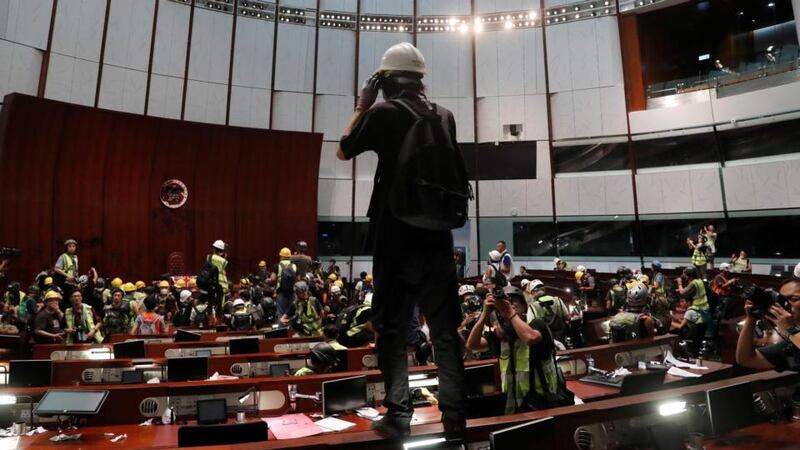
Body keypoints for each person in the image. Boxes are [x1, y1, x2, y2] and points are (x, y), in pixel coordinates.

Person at [337, 42, 466, 439]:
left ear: (385, 81)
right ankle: (455, 419)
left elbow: (344, 150)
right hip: (438, 238)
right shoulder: (445, 116)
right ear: (420, 78)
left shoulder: (384, 112)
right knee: (445, 330)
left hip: (395, 236)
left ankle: (399, 413)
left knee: (391, 328)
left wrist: (362, 104)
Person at [465, 285, 567, 414]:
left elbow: (530, 338)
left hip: (542, 404)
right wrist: (485, 313)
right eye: (505, 303)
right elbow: (472, 344)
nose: (509, 306)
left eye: (513, 302)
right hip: (513, 406)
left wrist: (509, 313)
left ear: (524, 306)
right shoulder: (502, 335)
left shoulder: (538, 325)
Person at [736, 277, 800, 370]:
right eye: (781, 300)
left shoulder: (792, 334)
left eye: (793, 299)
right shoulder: (790, 342)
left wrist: (790, 330)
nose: (785, 305)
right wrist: (751, 318)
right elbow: (746, 359)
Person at [673, 266, 710, 355]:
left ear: (689, 275)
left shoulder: (693, 283)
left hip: (697, 309)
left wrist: (680, 283)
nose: (683, 276)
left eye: (685, 274)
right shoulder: (699, 281)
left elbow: (683, 292)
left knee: (684, 327)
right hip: (704, 308)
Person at [527, 280, 569, 345]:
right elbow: (568, 317)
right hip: (560, 339)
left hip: (544, 343)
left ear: (533, 292)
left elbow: (530, 328)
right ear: (544, 289)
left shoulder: (532, 306)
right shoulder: (557, 300)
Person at [272, 247, 297, 318]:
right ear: (289, 256)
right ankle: (291, 328)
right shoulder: (294, 266)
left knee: (281, 312)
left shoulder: (277, 266)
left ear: (281, 256)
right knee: (291, 311)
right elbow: (298, 279)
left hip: (281, 291)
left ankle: (282, 327)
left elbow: (273, 279)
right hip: (292, 291)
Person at [207, 240, 230, 309]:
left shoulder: (209, 257)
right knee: (220, 306)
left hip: (210, 282)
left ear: (214, 248)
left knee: (211, 304)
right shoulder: (224, 261)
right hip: (221, 285)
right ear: (222, 250)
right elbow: (222, 265)